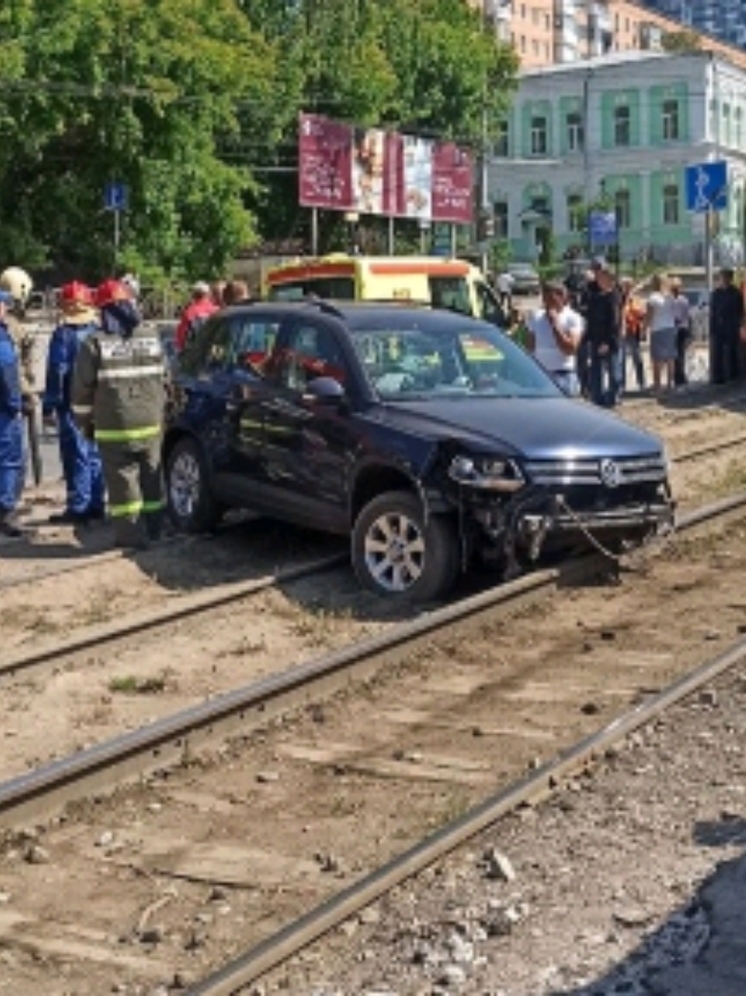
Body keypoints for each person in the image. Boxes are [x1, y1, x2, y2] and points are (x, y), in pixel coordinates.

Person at [72, 280, 167, 549]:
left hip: (115, 426)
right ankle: (156, 530)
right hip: (150, 422)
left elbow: (81, 393)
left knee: (123, 481)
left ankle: (131, 537)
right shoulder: (151, 335)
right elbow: (166, 376)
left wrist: (85, 424)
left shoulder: (95, 343)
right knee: (151, 477)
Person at [43, 282, 105, 525]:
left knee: (75, 452)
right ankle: (97, 503)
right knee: (94, 452)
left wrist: (49, 404)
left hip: (71, 402)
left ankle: (79, 506)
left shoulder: (63, 335)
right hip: (96, 401)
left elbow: (57, 371)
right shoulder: (97, 332)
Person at [525, 281, 583, 395]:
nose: (546, 303)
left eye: (550, 298)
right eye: (544, 298)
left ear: (562, 297)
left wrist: (554, 323)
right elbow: (530, 348)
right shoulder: (536, 316)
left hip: (563, 376)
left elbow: (569, 349)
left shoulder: (572, 318)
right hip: (540, 376)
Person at [0, 289, 25, 538]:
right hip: (3, 413)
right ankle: (6, 512)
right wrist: (16, 406)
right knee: (8, 462)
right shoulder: (1, 340)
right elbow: (7, 375)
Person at [584, 257, 623, 407]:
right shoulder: (592, 291)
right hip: (595, 337)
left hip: (609, 339)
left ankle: (613, 398)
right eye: (596, 273)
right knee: (596, 371)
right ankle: (597, 400)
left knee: (614, 372)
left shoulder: (613, 295)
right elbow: (589, 314)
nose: (598, 277)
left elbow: (614, 321)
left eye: (601, 274)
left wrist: (608, 341)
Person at [709, 267, 744, 384]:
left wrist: (739, 324)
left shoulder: (736, 293)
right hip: (719, 324)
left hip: (732, 324)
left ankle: (733, 375)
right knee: (717, 350)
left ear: (730, 278)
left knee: (732, 350)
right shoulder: (716, 293)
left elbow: (740, 310)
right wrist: (712, 327)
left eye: (726, 277)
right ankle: (718, 376)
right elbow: (713, 311)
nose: (724, 280)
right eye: (722, 277)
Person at [645, 273, 677, 394]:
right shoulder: (670, 296)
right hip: (670, 327)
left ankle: (657, 386)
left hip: (657, 329)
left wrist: (644, 328)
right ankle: (670, 383)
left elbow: (649, 316)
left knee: (656, 359)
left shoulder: (652, 297)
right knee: (670, 358)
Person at [619, 276, 646, 392]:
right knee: (622, 359)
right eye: (624, 286)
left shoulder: (636, 299)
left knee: (637, 358)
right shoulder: (619, 298)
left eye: (628, 286)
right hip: (622, 331)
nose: (626, 288)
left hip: (633, 331)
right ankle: (621, 384)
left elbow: (641, 312)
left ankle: (641, 382)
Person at [175, 281, 218, 352]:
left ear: (193, 295)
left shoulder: (189, 312)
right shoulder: (216, 311)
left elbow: (181, 336)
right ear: (208, 294)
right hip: (213, 354)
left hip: (195, 354)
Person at [670, 278, 691, 387]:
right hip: (671, 329)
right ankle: (675, 376)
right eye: (674, 287)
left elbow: (686, 315)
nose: (676, 290)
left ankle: (681, 376)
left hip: (681, 328)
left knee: (681, 354)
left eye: (677, 287)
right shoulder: (668, 300)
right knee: (673, 355)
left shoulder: (684, 300)